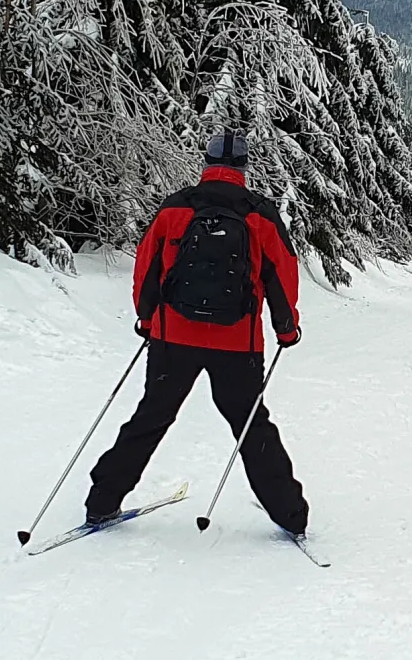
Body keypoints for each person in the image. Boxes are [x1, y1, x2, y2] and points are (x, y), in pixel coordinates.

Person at [85, 130, 310, 537]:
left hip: (174, 337)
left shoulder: (176, 208)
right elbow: (282, 274)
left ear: (205, 164)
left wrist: (147, 317)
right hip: (237, 345)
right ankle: (291, 517)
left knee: (151, 416)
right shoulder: (259, 213)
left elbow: (147, 267)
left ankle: (101, 502)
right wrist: (286, 326)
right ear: (243, 168)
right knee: (249, 425)